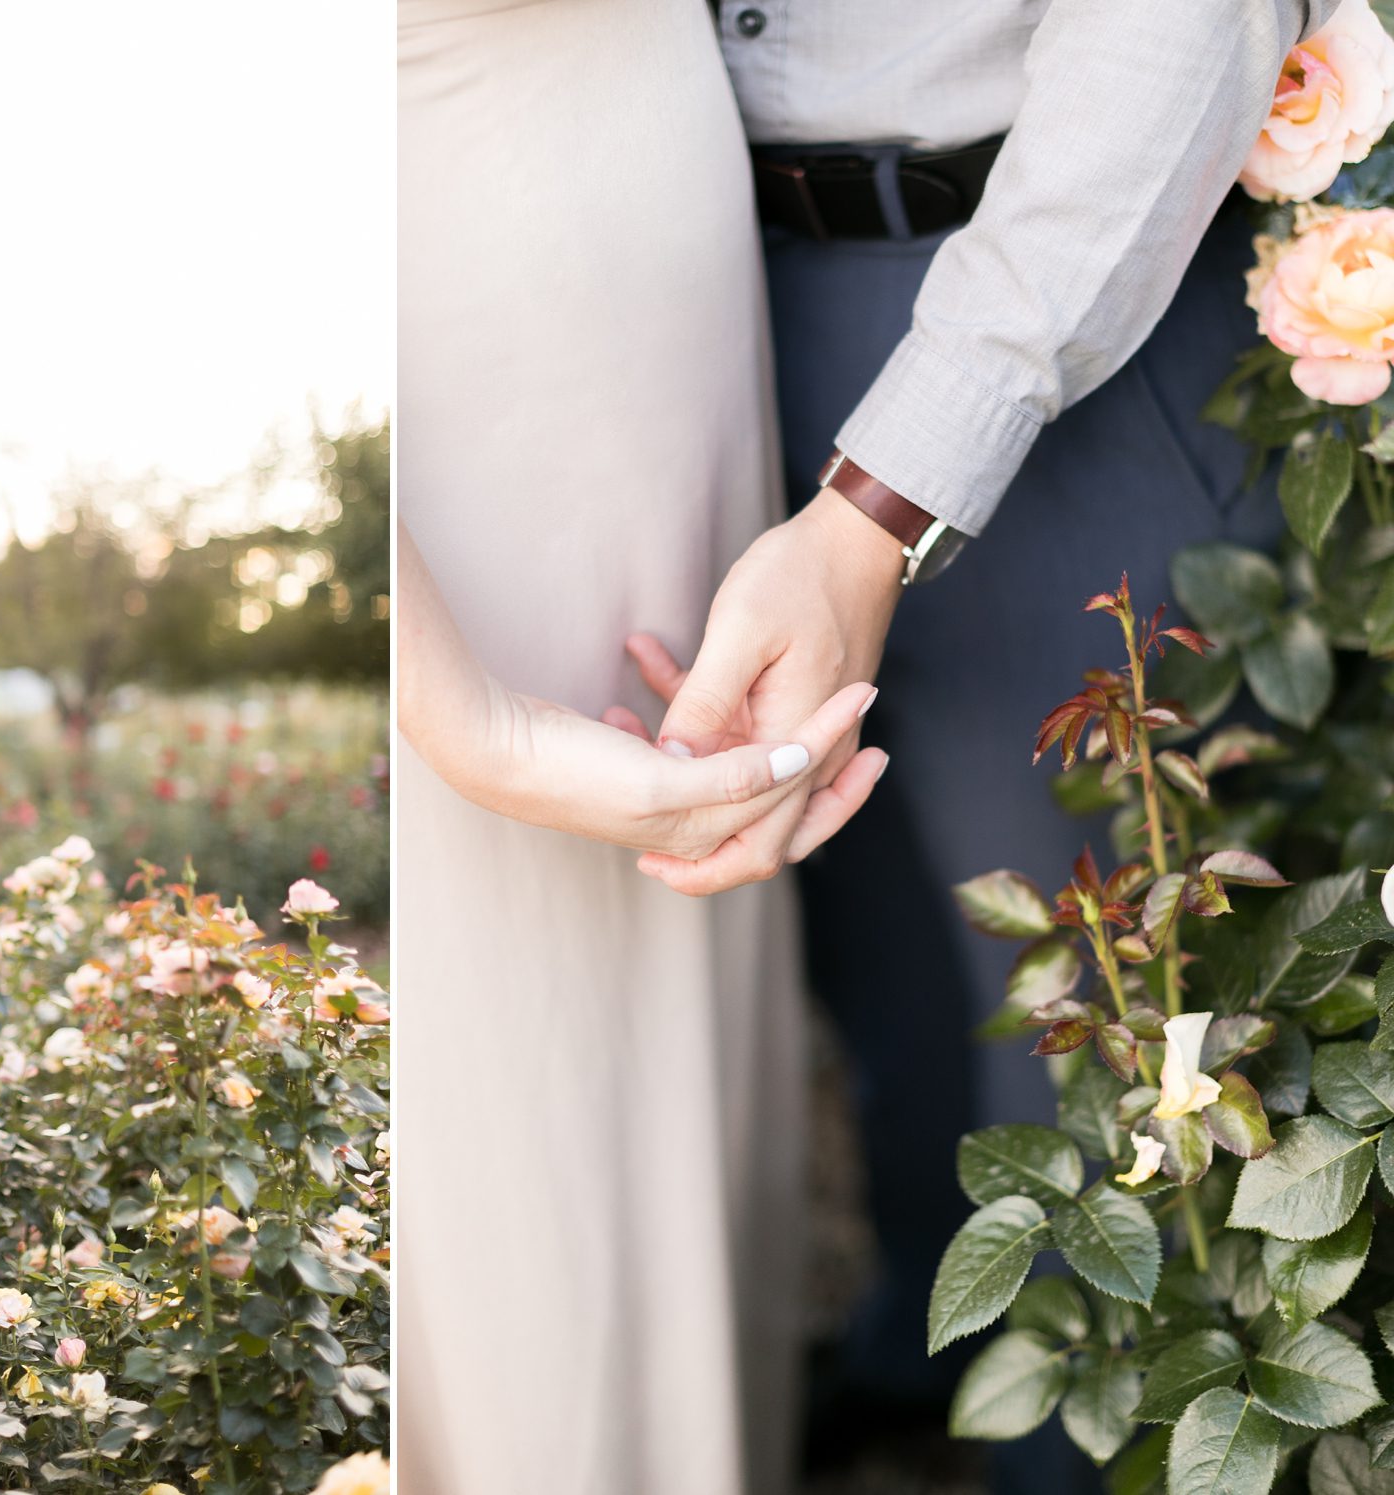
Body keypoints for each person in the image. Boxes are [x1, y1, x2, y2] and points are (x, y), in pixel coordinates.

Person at [679, 6, 1341, 1488]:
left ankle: (1102, 1450)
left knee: (1110, 1009)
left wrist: (877, 504)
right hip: (719, 304)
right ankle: (933, 1349)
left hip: (1061, 289)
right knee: (876, 942)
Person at [396, 2, 886, 1489]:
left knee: (666, 1011)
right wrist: (460, 712)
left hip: (655, 295)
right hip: (456, 316)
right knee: (521, 1051)